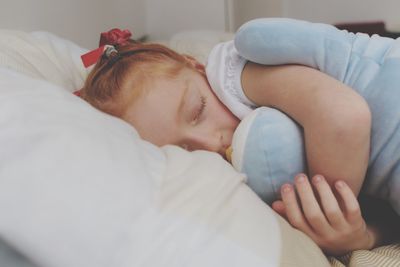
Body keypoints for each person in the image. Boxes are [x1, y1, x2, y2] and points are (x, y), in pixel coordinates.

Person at [75, 26, 396, 256]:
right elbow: (381, 204)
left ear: (197, 67)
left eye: (198, 110)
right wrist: (361, 236)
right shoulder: (254, 169)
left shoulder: (238, 75)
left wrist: (330, 209)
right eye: (183, 151)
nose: (211, 144)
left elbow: (344, 115)